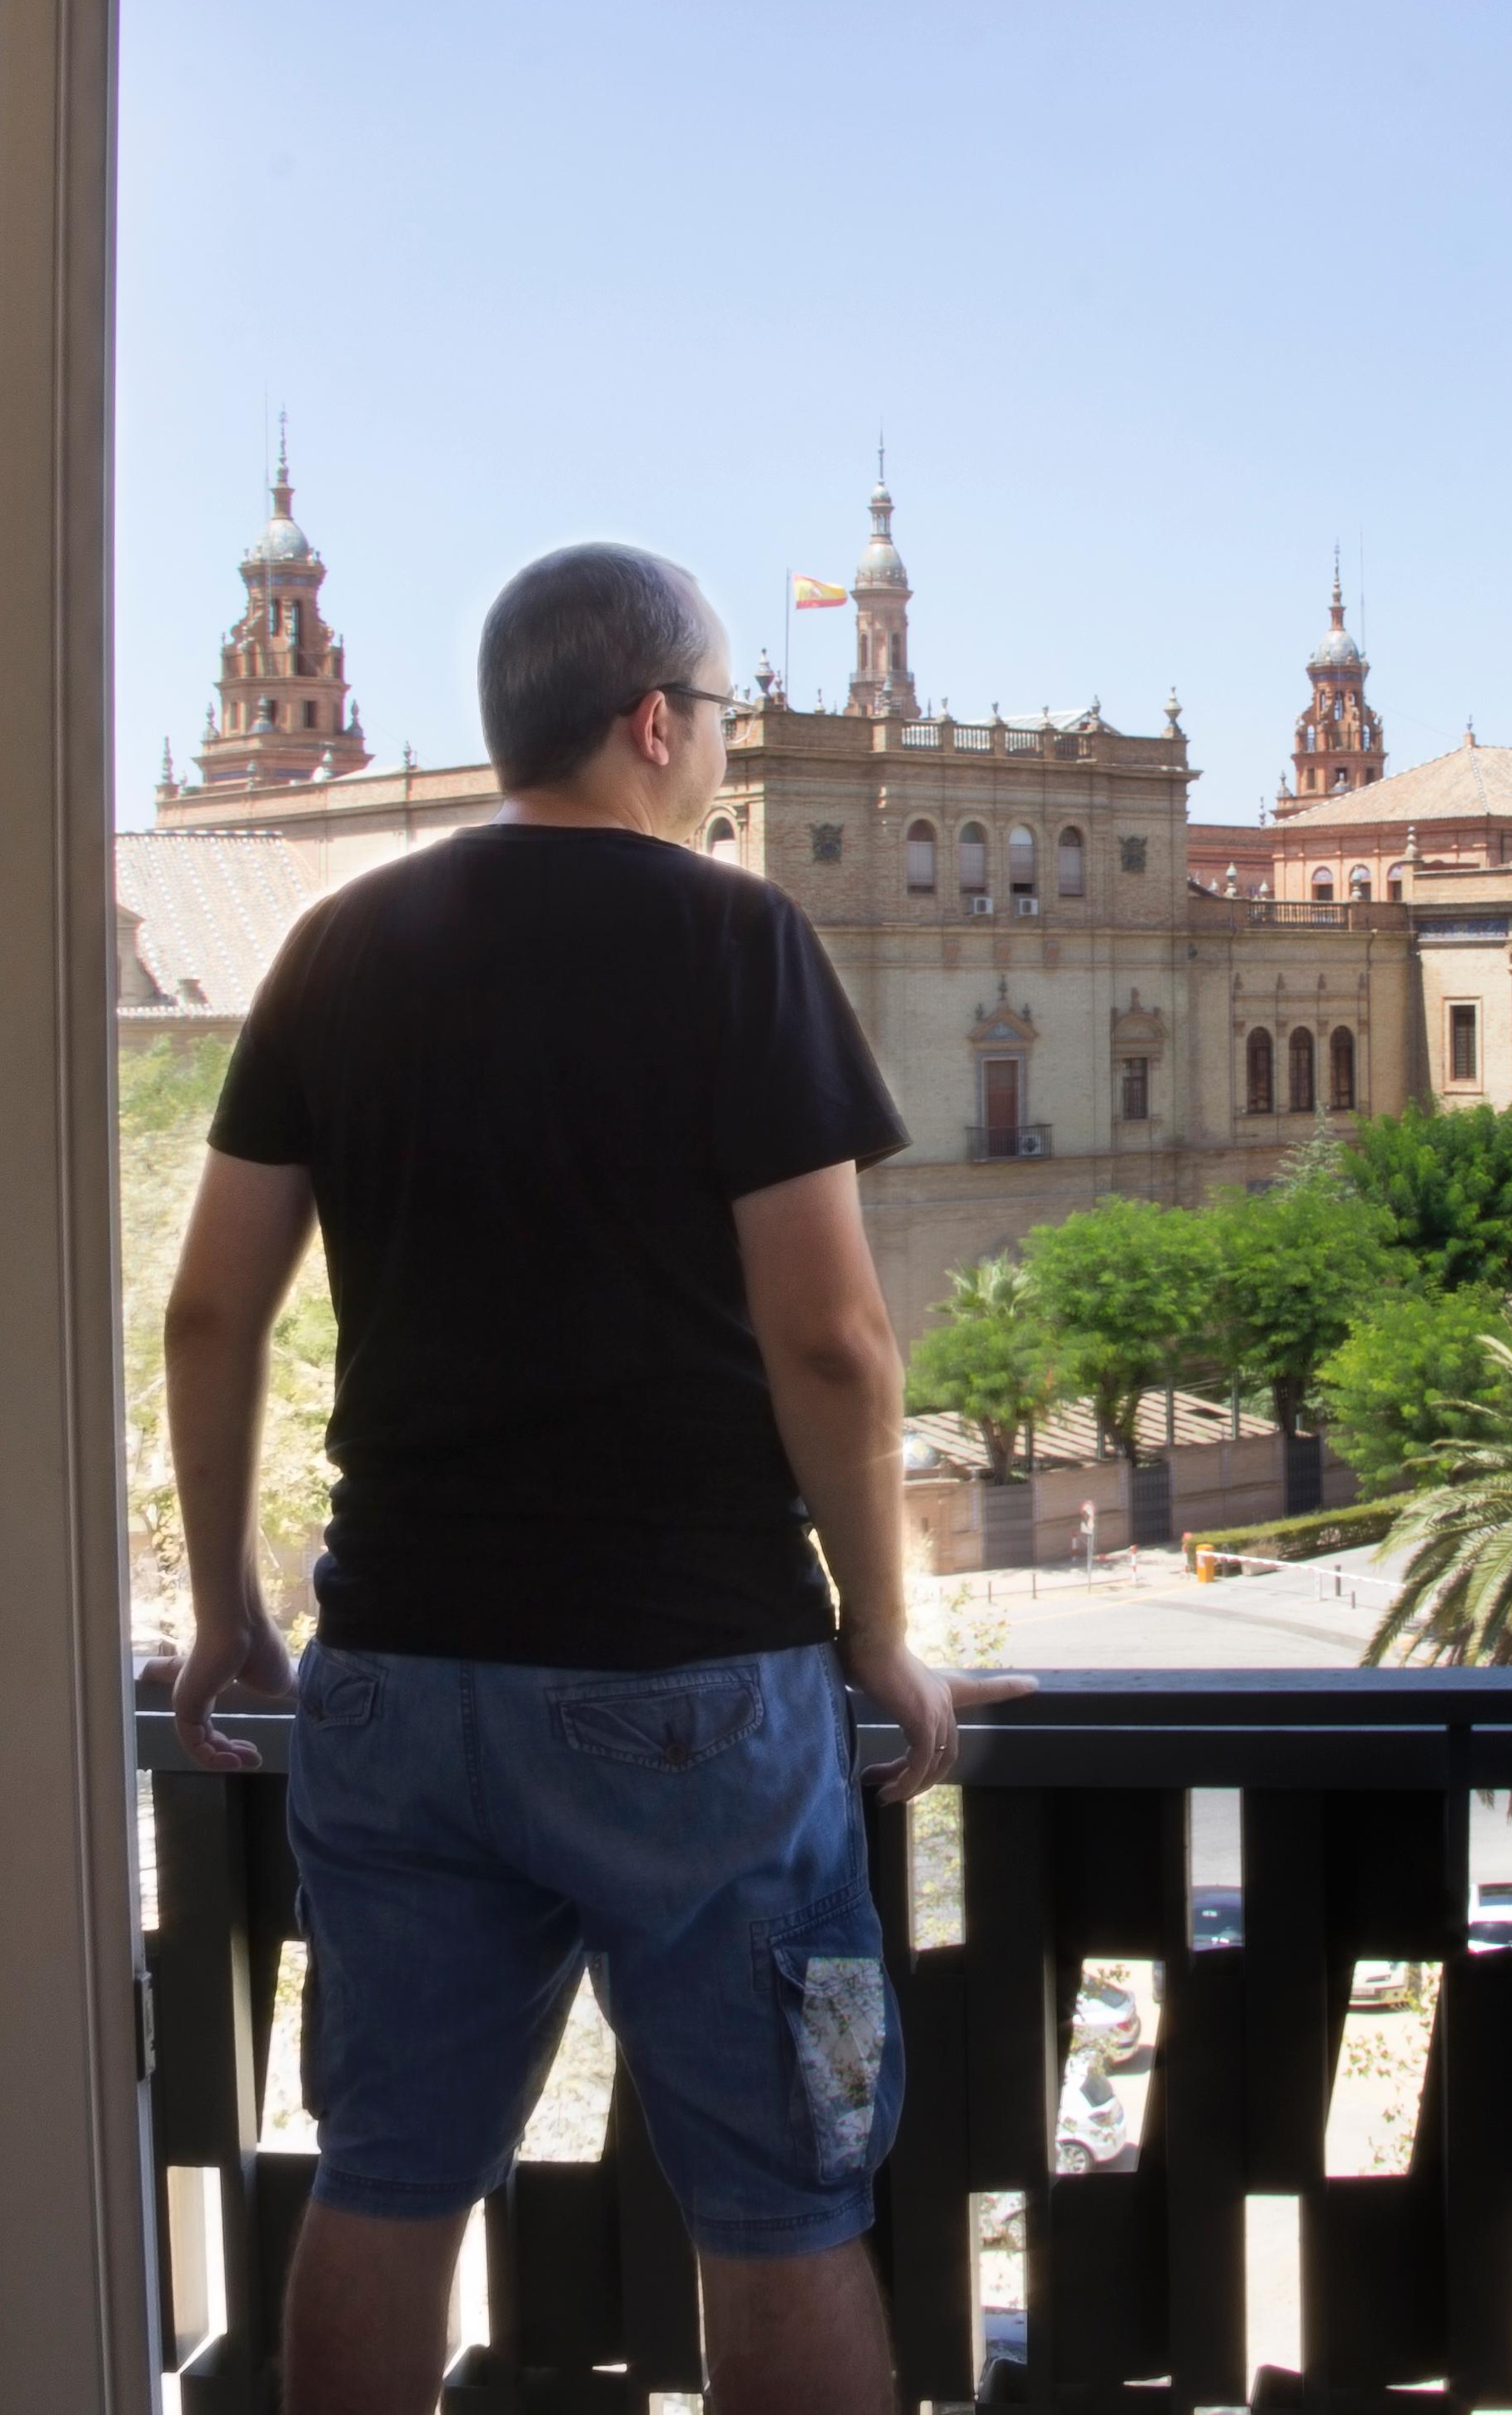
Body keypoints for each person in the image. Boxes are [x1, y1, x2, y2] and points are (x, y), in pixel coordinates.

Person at [157, 542, 1027, 2415]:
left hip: (395, 1681)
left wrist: (231, 1612)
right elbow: (836, 1344)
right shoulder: (738, 943)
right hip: (695, 1686)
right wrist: (885, 1634)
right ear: (656, 723)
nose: (715, 751)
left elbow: (211, 1313)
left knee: (384, 2188)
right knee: (786, 2208)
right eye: (714, 716)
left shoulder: (338, 946)